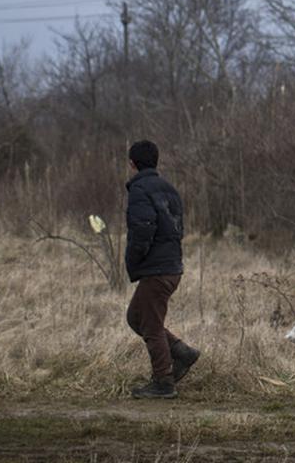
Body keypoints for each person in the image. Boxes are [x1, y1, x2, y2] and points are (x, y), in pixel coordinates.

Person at [123, 140, 199, 399]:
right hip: (172, 266)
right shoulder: (169, 189)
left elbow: (142, 230)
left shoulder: (139, 190)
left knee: (150, 325)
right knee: (136, 317)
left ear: (132, 163)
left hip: (157, 268)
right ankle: (182, 352)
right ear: (155, 161)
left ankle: (163, 382)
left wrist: (134, 261)